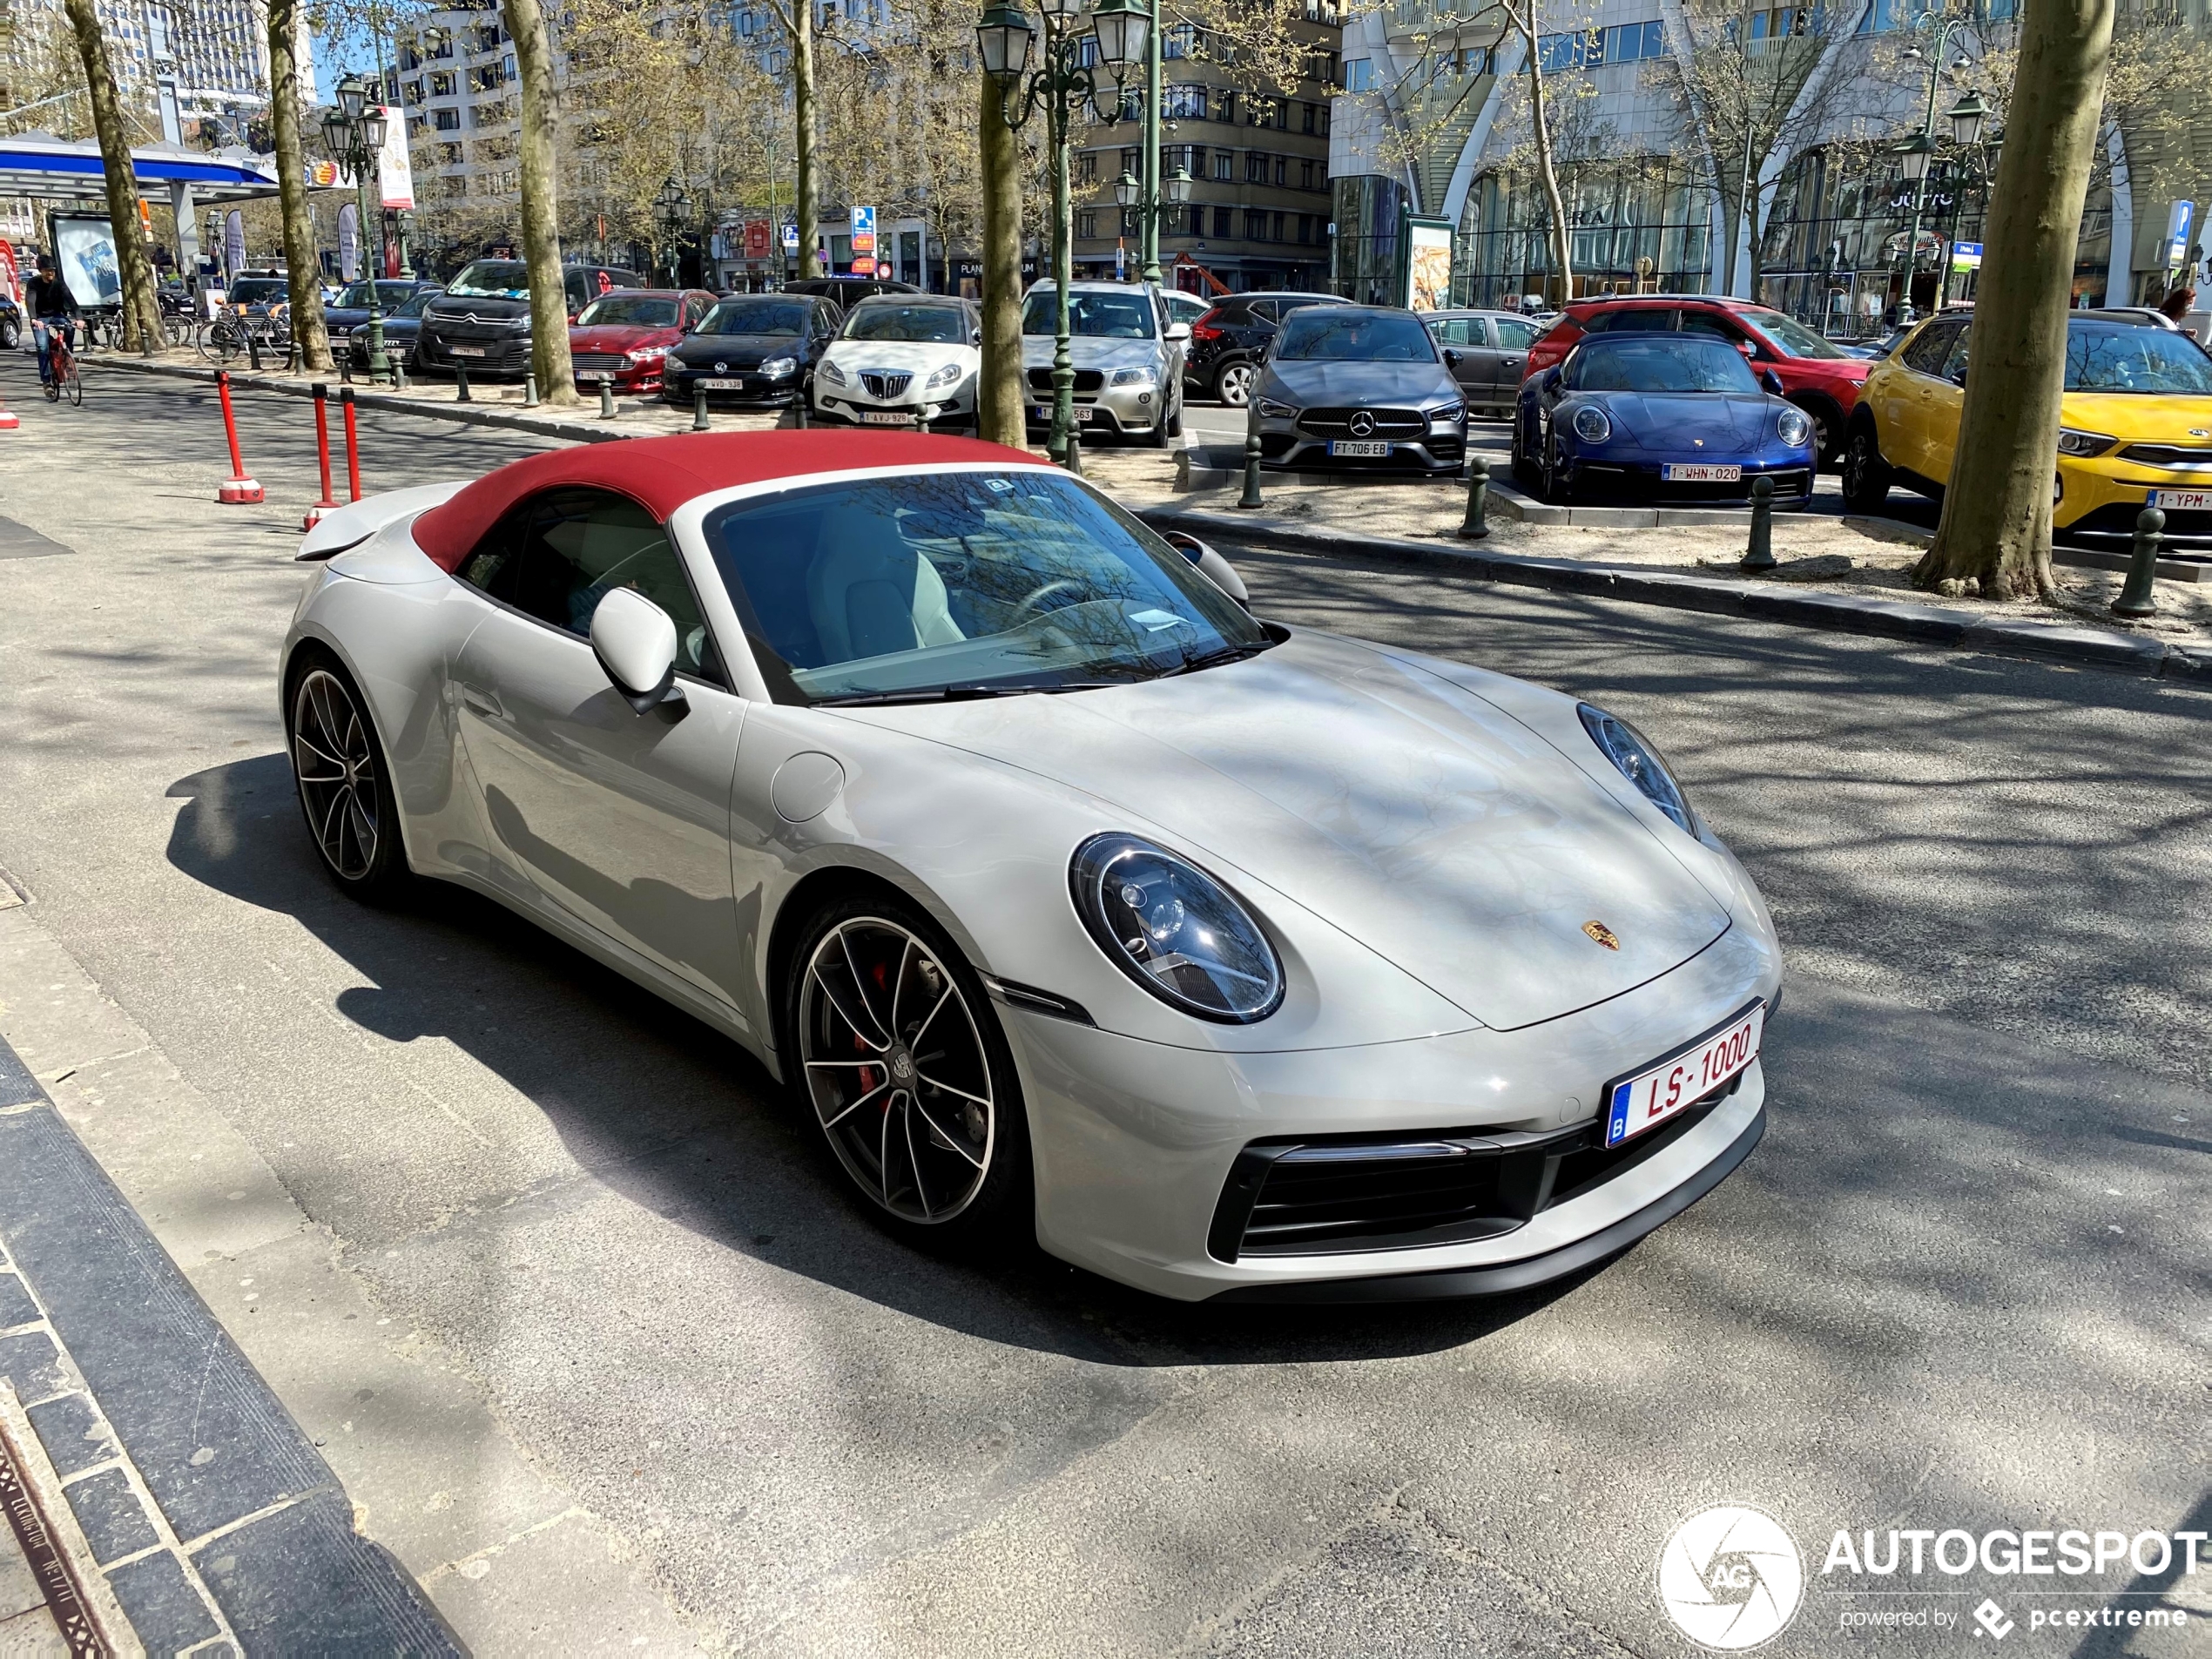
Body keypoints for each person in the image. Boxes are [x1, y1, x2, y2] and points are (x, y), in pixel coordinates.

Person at [25, 254, 77, 387]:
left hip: (56, 314)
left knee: (70, 328)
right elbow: (30, 301)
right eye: (47, 270)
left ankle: (66, 356)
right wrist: (33, 319)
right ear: (41, 271)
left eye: (52, 270)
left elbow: (70, 299)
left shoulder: (59, 282)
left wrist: (79, 318)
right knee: (42, 347)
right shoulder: (33, 283)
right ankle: (46, 381)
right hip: (40, 318)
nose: (50, 273)